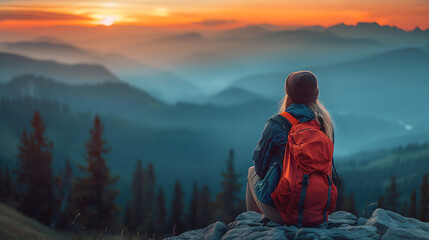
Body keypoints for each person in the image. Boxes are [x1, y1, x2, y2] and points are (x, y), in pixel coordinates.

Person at [246, 71, 335, 224]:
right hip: (319, 214)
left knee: (251, 172)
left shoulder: (277, 123)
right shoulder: (324, 124)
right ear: (316, 94)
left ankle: (254, 226)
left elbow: (260, 169)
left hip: (286, 213)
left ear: (288, 93)